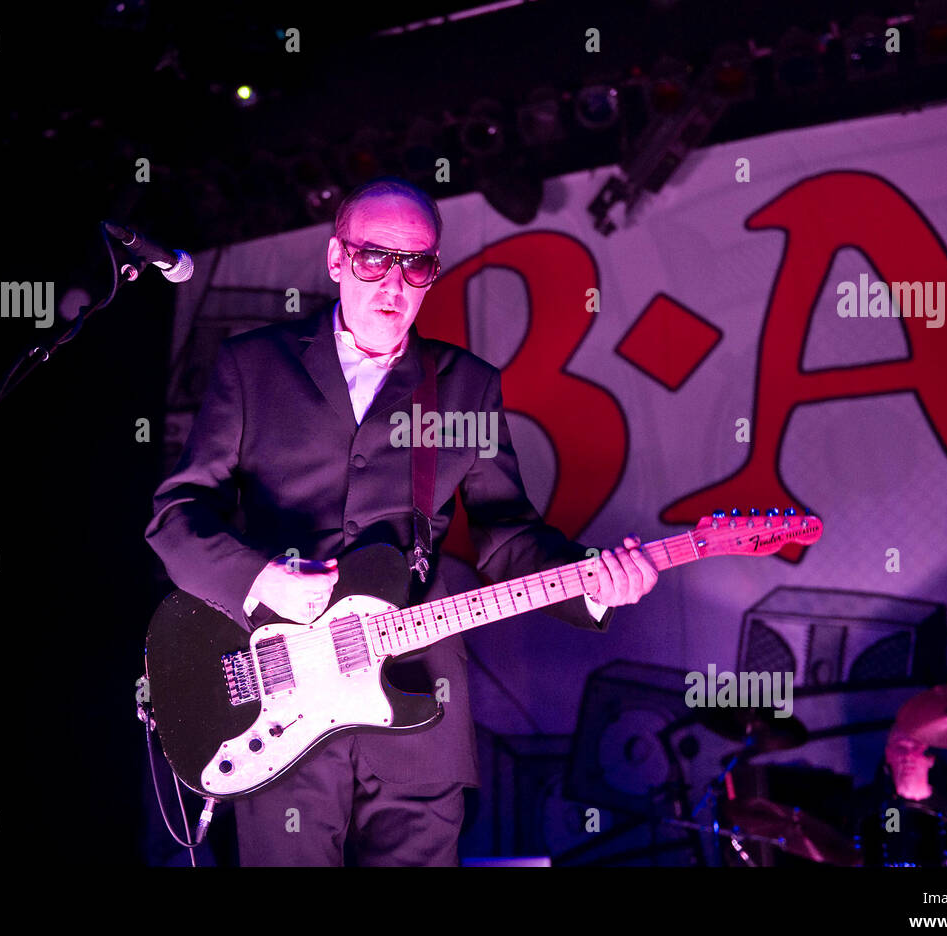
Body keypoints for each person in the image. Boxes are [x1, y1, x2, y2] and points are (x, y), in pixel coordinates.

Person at [145, 176, 659, 866]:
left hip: (419, 703)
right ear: (336, 259)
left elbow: (507, 534)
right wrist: (261, 576)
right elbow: (176, 516)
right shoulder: (253, 366)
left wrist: (593, 584)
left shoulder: (465, 386)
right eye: (372, 259)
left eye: (416, 264)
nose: (394, 281)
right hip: (282, 708)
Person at [854, 727, 947, 866]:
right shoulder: (884, 809)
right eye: (900, 747)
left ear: (931, 758)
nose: (908, 756)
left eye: (916, 747)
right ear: (888, 755)